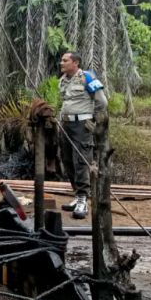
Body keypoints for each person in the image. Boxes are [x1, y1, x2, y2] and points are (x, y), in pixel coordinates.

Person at [57, 51, 108, 220]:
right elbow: (65, 101)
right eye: (61, 60)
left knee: (81, 161)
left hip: (82, 125)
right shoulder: (63, 80)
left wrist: (92, 120)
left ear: (75, 63)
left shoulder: (87, 77)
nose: (61, 63)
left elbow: (102, 102)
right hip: (66, 125)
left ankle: (83, 199)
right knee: (67, 160)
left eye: (65, 60)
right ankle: (77, 194)